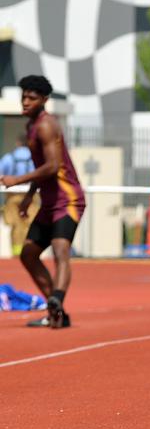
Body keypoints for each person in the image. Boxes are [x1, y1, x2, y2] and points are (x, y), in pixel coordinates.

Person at [0, 75, 85, 329]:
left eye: (32, 98)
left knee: (60, 250)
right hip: (48, 202)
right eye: (23, 96)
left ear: (44, 100)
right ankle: (56, 310)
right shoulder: (32, 127)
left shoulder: (47, 125)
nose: (25, 102)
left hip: (67, 200)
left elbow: (52, 166)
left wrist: (18, 180)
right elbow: (42, 168)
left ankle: (56, 300)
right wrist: (29, 197)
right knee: (28, 254)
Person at [0, 134, 39, 255]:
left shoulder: (9, 158)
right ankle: (29, 252)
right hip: (31, 194)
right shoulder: (35, 158)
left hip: (12, 195)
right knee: (30, 224)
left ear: (17, 143)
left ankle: (16, 252)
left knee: (15, 224)